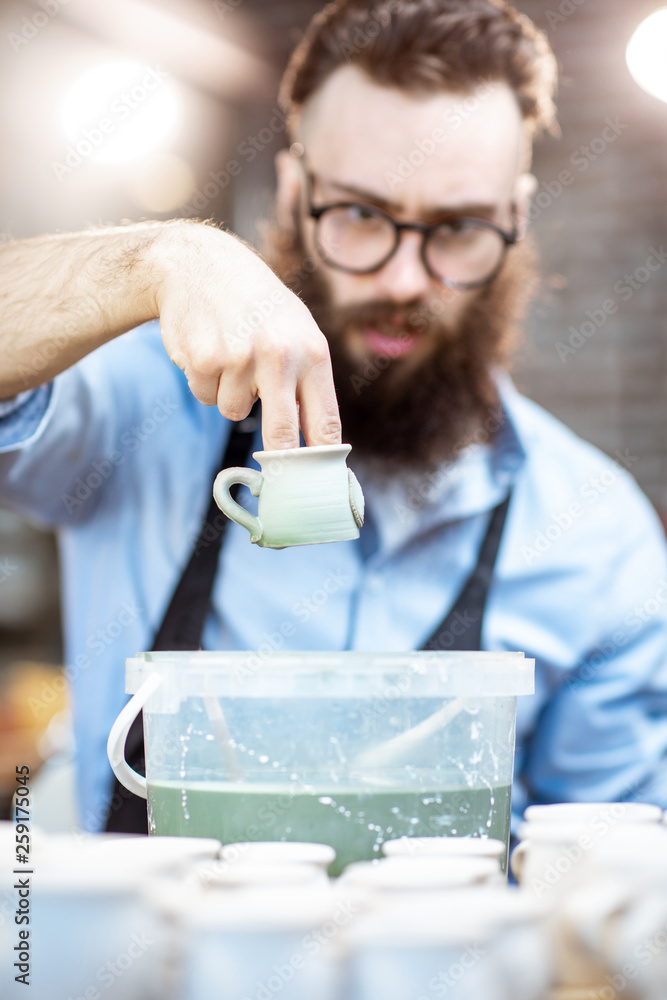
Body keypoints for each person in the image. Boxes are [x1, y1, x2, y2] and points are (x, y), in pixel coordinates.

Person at [1, 0, 667, 837]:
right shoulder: (134, 410)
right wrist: (160, 258)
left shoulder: (594, 537)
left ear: (515, 218)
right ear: (293, 190)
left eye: (457, 229)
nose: (400, 278)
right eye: (359, 214)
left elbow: (607, 872)